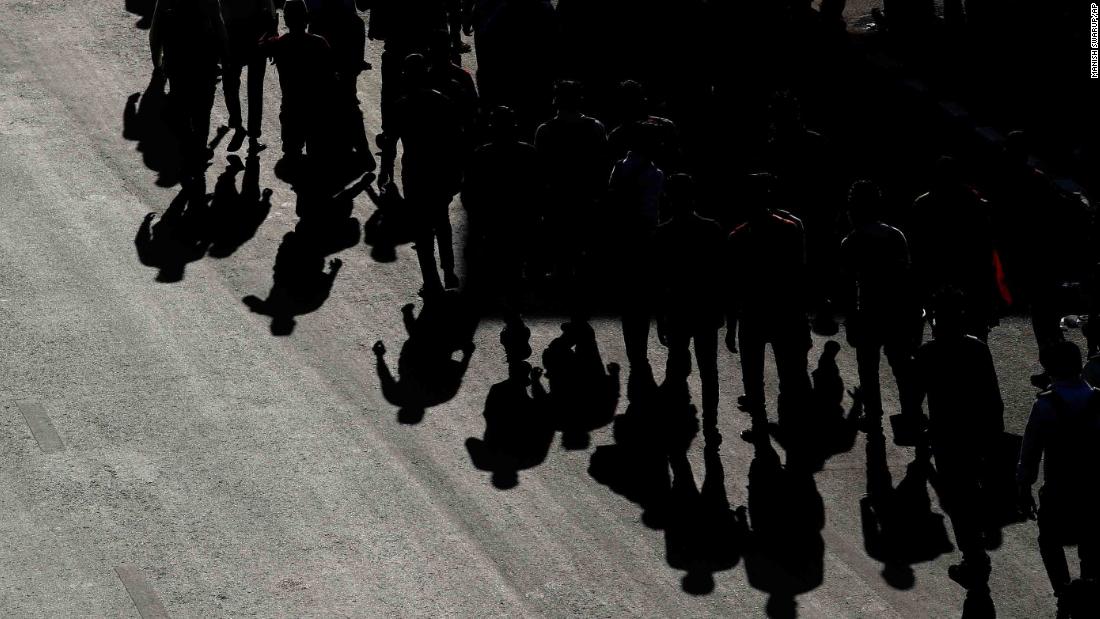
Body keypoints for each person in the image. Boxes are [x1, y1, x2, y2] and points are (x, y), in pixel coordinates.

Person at [915, 290, 1005, 591]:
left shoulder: (929, 352)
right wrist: (996, 435)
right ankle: (975, 553)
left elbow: (915, 396)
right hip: (977, 433)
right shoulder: (978, 349)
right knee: (972, 494)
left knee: (959, 499)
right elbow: (994, 398)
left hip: (947, 437)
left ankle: (974, 558)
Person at [725, 172, 812, 442]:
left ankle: (760, 425)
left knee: (753, 376)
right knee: (788, 374)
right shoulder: (789, 229)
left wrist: (731, 325)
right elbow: (799, 274)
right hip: (784, 312)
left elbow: (733, 285)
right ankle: (789, 424)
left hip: (752, 314)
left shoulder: (737, 236)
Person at [1018, 341, 1100, 618]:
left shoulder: (1045, 405)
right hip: (1094, 493)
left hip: (1059, 492)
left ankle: (1062, 589)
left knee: (1049, 540)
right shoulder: (1099, 400)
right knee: (1093, 543)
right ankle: (1091, 585)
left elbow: (1030, 453)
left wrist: (1024, 486)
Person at [839, 180, 924, 434]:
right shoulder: (895, 235)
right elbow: (908, 277)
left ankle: (873, 414)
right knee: (901, 366)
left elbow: (846, 286)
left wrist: (850, 318)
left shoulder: (851, 242)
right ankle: (912, 413)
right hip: (898, 312)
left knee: (868, 367)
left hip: (868, 312)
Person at [379, 53, 465, 296]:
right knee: (441, 220)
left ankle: (431, 279)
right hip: (439, 169)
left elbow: (390, 142)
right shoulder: (443, 102)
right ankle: (448, 270)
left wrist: (386, 171)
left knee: (422, 227)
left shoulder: (401, 106)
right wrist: (458, 170)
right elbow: (456, 139)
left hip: (415, 171)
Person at [654, 174, 725, 445]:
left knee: (676, 366)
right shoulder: (711, 229)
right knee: (709, 371)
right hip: (705, 308)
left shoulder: (662, 233)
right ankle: (710, 425)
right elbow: (721, 274)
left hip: (678, 309)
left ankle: (676, 421)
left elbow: (659, 282)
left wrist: (661, 318)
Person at [909, 156, 996, 339]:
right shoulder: (973, 201)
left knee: (941, 326)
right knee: (975, 327)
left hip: (936, 272)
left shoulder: (923, 204)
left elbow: (916, 247)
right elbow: (985, 241)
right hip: (969, 270)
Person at [534, 81, 609, 285]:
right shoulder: (595, 127)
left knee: (563, 251)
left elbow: (540, 171)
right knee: (587, 250)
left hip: (558, 199)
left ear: (556, 100)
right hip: (587, 197)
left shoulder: (545, 131)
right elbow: (603, 166)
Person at [149, 0, 229, 188]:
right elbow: (220, 29)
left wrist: (157, 63)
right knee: (202, 112)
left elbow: (155, 34)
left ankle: (189, 152)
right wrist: (226, 60)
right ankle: (198, 151)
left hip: (177, 65)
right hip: (204, 66)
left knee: (181, 110)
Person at [461, 106, 539, 299]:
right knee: (517, 265)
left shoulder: (481, 154)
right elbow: (539, 187)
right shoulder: (528, 153)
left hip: (491, 221)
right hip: (519, 219)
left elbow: (469, 193)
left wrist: (476, 218)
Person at [608, 124, 665, 368]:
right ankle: (639, 350)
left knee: (628, 298)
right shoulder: (655, 174)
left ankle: (633, 351)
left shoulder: (619, 167)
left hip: (623, 236)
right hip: (645, 237)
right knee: (643, 296)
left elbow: (611, 200)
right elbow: (653, 210)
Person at [259, 0, 336, 167]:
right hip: (316, 109)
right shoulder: (319, 43)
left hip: (291, 109)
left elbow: (258, 49)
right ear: (306, 18)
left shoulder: (279, 43)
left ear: (285, 20)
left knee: (292, 156)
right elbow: (331, 77)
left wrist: (269, 29)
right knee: (316, 157)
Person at [308, 0, 375, 169]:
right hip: (346, 69)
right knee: (350, 104)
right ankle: (362, 149)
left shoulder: (318, 22)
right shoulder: (355, 22)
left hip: (328, 72)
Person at [220, 0, 278, 154]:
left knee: (230, 84)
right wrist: (273, 35)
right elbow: (270, 9)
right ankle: (252, 136)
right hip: (256, 37)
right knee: (254, 88)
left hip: (233, 37)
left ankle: (239, 126)